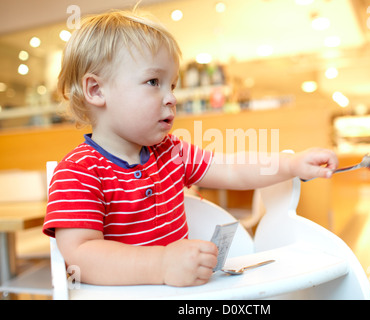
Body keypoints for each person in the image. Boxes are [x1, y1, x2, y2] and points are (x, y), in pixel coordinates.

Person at [43, 10, 338, 287]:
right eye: (153, 81)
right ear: (96, 90)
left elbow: (232, 169)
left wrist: (291, 165)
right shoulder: (78, 171)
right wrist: (161, 265)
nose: (171, 97)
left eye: (172, 85)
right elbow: (79, 256)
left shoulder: (171, 151)